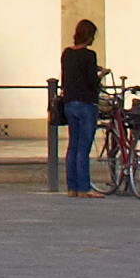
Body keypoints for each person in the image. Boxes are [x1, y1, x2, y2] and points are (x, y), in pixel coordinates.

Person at [58, 19, 104, 195]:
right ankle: (84, 188)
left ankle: (72, 187)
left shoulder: (67, 54)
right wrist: (101, 74)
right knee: (84, 148)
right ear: (89, 36)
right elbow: (92, 82)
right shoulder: (89, 55)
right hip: (86, 105)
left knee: (73, 146)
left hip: (70, 104)